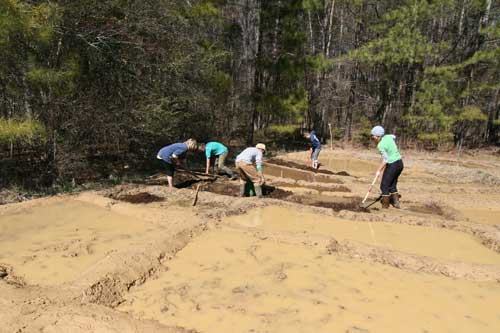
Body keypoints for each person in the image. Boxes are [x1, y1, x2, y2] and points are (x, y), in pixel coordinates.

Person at [370, 126, 404, 208]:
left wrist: (378, 171)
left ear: (378, 136)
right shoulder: (388, 137)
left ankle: (385, 205)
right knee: (392, 185)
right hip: (400, 163)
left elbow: (385, 159)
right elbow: (393, 136)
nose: (372, 137)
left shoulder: (380, 145)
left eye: (373, 136)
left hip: (393, 164)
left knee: (384, 185)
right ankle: (396, 203)